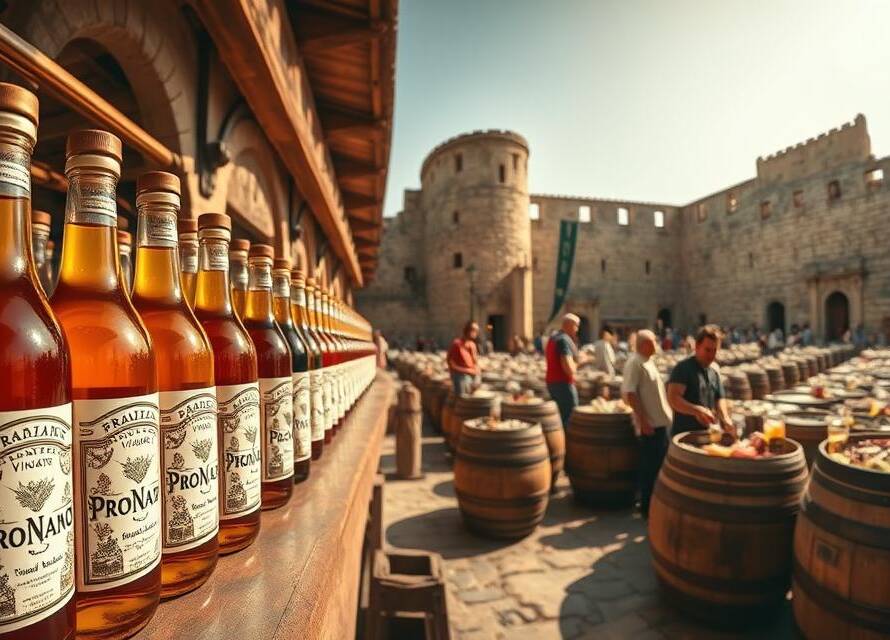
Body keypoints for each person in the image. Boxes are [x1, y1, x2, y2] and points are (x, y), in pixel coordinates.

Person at [622, 330, 673, 517]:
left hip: (660, 422)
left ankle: (653, 503)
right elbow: (631, 394)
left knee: (657, 465)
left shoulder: (647, 361)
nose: (656, 344)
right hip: (650, 424)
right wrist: (643, 421)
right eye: (652, 342)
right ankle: (646, 506)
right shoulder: (635, 362)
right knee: (649, 467)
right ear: (643, 344)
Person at [667, 324, 733, 436]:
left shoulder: (713, 371)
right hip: (685, 436)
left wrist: (725, 418)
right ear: (697, 346)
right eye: (707, 350)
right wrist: (697, 410)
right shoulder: (683, 368)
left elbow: (720, 398)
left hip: (708, 434)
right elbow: (673, 398)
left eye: (714, 350)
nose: (711, 355)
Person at [546, 313, 588, 427]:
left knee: (559, 417)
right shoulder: (563, 340)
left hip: (552, 383)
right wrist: (583, 361)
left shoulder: (553, 338)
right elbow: (569, 369)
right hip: (563, 385)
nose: (577, 329)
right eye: (576, 326)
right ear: (569, 325)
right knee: (569, 419)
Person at [447, 321, 480, 395]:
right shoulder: (457, 344)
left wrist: (477, 372)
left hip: (472, 374)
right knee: (464, 381)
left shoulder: (472, 345)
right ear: (467, 330)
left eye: (477, 331)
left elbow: (475, 363)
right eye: (473, 330)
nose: (476, 333)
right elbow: (452, 365)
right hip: (460, 375)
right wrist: (468, 371)